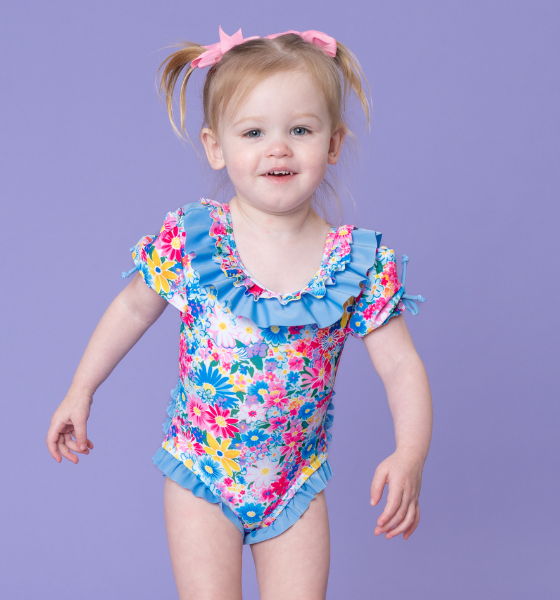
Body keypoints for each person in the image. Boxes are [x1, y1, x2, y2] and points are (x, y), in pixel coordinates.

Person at [46, 27, 432, 600]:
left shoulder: (355, 264)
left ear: (333, 144)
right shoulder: (195, 240)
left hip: (295, 484)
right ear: (215, 146)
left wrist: (410, 453)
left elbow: (401, 366)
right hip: (202, 474)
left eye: (300, 130)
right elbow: (131, 308)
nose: (278, 148)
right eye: (254, 132)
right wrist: (80, 391)